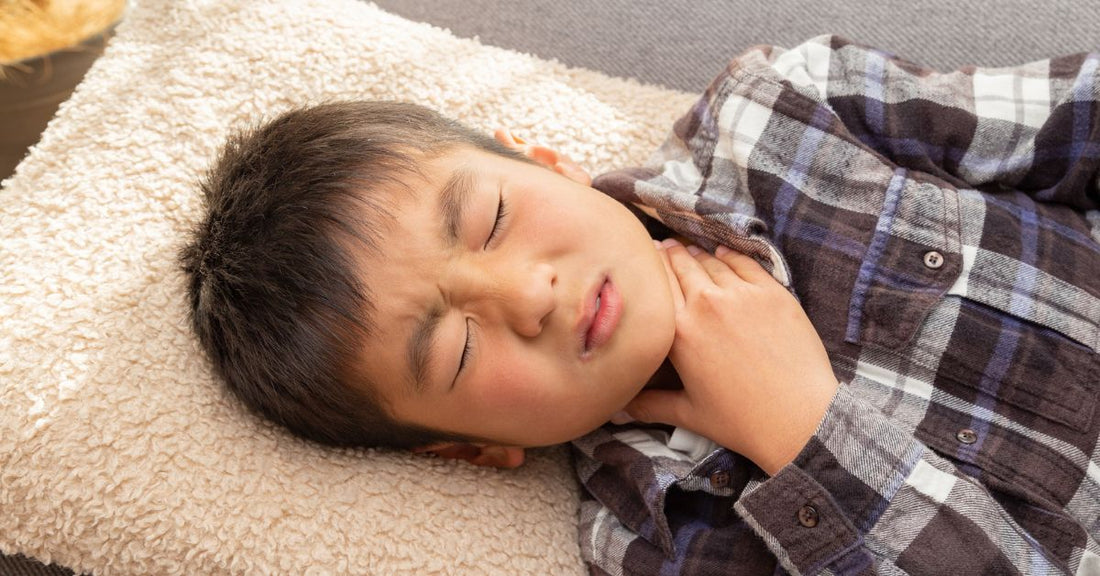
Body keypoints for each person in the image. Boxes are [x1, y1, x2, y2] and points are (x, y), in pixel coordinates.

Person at [181, 35, 1099, 575]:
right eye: (455, 352)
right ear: (472, 449)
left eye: (494, 220)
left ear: (541, 160)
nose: (528, 295)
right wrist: (805, 431)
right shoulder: (655, 536)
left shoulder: (776, 116)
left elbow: (1072, 120)